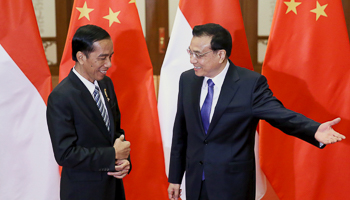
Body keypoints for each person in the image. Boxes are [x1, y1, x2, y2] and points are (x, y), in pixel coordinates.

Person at [167, 23, 346, 200]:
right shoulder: (188, 80)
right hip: (195, 181)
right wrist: (175, 177)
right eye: (190, 52)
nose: (192, 60)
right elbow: (180, 132)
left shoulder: (249, 84)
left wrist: (314, 129)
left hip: (231, 184)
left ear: (220, 54)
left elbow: (279, 114)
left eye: (198, 54)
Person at [47, 25, 131, 200]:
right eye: (102, 58)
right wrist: (112, 155)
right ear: (81, 57)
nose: (108, 64)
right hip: (83, 192)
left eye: (110, 56)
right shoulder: (61, 97)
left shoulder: (106, 84)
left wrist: (124, 161)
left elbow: (115, 132)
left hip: (113, 189)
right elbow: (65, 154)